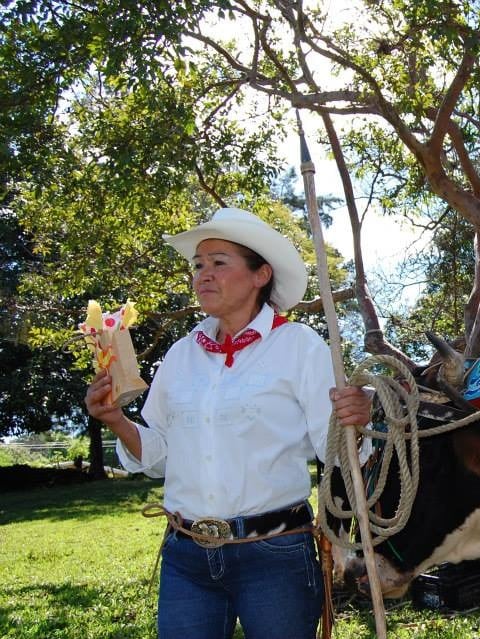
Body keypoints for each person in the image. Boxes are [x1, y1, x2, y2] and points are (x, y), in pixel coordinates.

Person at [84, 207, 372, 639]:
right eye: (198, 265)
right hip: (186, 556)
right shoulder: (182, 354)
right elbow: (159, 456)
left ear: (261, 275)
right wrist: (115, 420)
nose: (203, 275)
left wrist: (356, 420)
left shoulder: (299, 346)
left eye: (219, 263)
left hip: (274, 554)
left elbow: (336, 452)